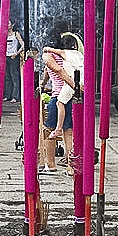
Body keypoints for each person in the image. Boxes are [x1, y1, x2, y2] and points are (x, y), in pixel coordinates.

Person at [40, 33, 80, 175]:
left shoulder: (48, 56)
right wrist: (43, 84)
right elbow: (47, 73)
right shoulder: (66, 56)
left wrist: (74, 85)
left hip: (58, 97)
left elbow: (58, 71)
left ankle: (50, 164)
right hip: (69, 96)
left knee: (48, 130)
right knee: (68, 133)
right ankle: (71, 167)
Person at [4, 20, 24, 103]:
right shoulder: (4, 35)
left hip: (13, 57)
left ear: (12, 25)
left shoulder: (16, 34)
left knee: (14, 77)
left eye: (9, 23)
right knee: (7, 77)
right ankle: (7, 95)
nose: (7, 25)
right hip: (6, 57)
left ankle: (15, 96)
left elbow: (23, 44)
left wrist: (17, 53)